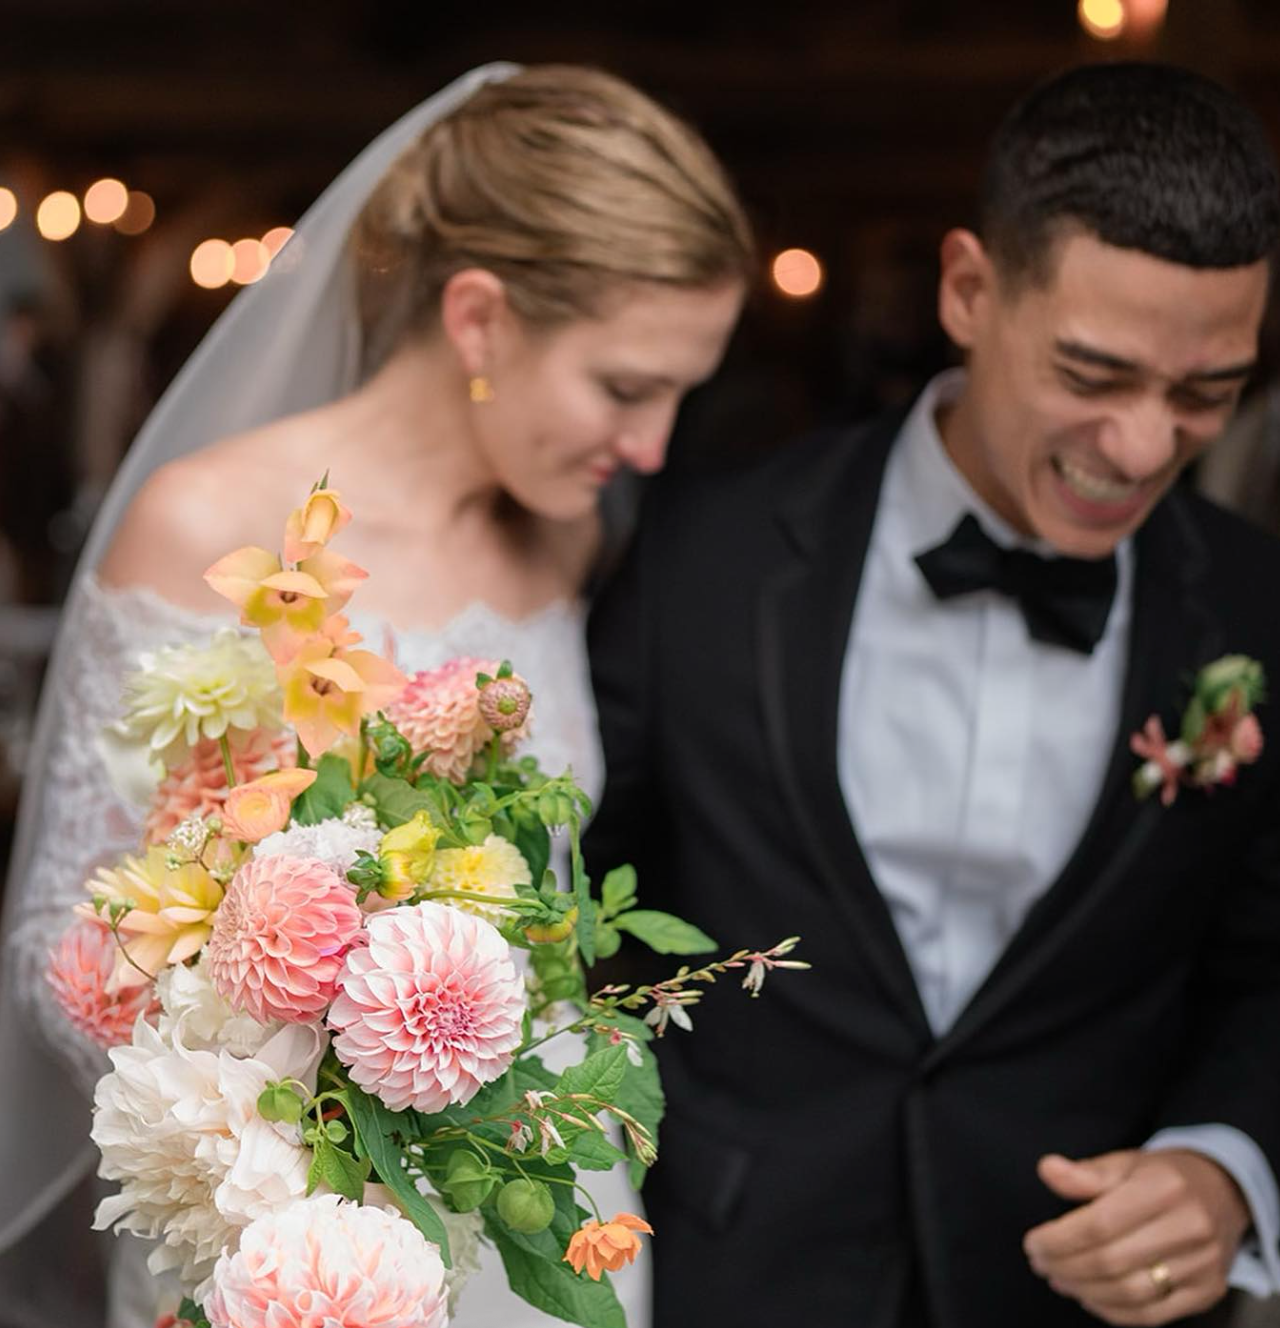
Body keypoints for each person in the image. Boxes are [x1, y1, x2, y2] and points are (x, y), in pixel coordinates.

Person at [0, 62, 751, 1328]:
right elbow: (61, 951)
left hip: (542, 1228)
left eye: (681, 392)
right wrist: (298, 1114)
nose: (654, 447)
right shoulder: (205, 520)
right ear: (477, 318)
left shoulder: (566, 541)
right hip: (278, 1240)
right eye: (625, 388)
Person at [584, 61, 1280, 1328]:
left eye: (1204, 394)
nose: (1140, 447)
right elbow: (578, 913)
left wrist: (1224, 1163)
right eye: (1092, 373)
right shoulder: (704, 556)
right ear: (968, 290)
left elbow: (1275, 964)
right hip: (727, 1273)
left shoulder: (1259, 610)